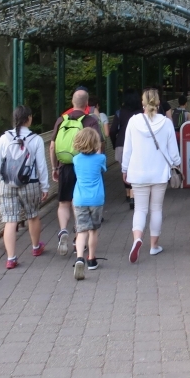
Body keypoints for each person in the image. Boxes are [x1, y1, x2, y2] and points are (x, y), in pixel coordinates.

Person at [121, 88, 181, 264]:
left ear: (143, 103)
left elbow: (127, 149)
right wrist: (176, 164)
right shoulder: (166, 123)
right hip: (159, 173)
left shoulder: (133, 121)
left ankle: (137, 238)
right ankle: (154, 246)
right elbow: (174, 153)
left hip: (138, 173)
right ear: (159, 102)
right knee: (156, 209)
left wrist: (125, 169)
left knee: (140, 209)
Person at [0, 105, 49, 270]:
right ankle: (35, 247)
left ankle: (11, 258)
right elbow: (41, 165)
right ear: (29, 118)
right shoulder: (36, 139)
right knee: (32, 215)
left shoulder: (4, 138)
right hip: (30, 183)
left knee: (10, 220)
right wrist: (44, 186)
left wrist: (2, 180)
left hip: (7, 184)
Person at [51, 89, 102, 258]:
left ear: (72, 102)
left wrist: (55, 167)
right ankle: (77, 238)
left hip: (65, 166)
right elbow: (99, 147)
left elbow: (52, 146)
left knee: (64, 203)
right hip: (84, 169)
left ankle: (63, 230)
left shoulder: (61, 120)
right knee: (77, 202)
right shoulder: (90, 120)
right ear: (87, 104)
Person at [71, 126, 106, 280]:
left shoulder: (76, 159)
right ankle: (91, 259)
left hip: (79, 199)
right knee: (93, 230)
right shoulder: (101, 158)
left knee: (81, 231)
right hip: (96, 199)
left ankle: (80, 258)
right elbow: (101, 169)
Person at [110, 91, 141, 208]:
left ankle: (128, 194)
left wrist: (115, 144)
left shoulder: (119, 113)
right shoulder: (141, 113)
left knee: (125, 170)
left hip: (121, 144)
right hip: (138, 144)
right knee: (136, 169)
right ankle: (134, 194)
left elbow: (112, 131)